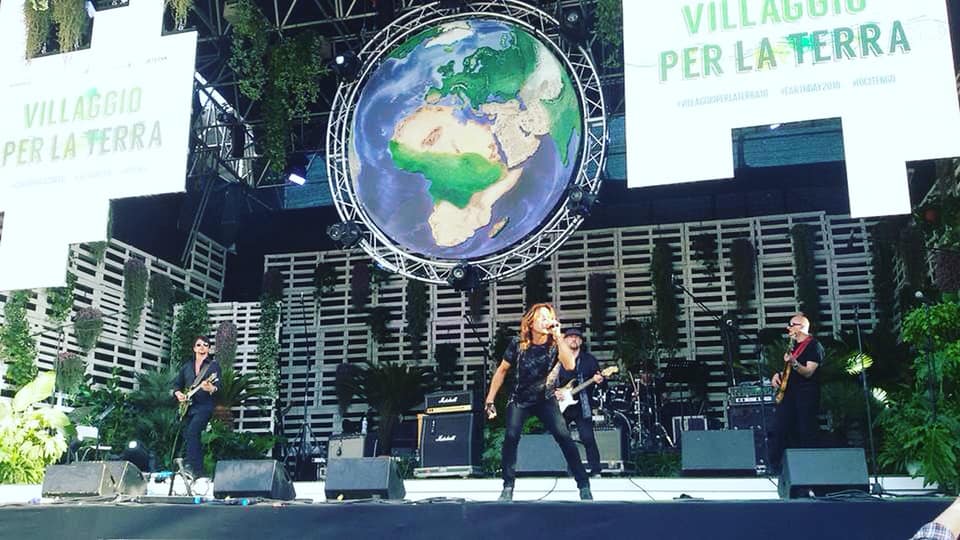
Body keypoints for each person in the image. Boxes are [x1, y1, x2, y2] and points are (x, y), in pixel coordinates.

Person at [484, 303, 592, 501]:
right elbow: (501, 370)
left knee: (565, 438)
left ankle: (584, 485)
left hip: (545, 399)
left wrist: (559, 336)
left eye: (549, 317)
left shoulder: (555, 343)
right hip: (520, 399)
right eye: (542, 317)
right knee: (511, 437)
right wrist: (490, 399)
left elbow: (569, 365)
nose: (546, 321)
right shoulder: (518, 344)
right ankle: (508, 486)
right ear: (531, 323)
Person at [769, 313, 824, 473]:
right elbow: (789, 371)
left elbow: (808, 372)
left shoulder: (814, 345)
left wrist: (793, 362)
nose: (788, 328)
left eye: (792, 325)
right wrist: (777, 375)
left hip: (806, 394)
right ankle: (777, 468)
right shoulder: (792, 346)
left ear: (802, 327)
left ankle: (811, 469)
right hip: (789, 394)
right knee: (780, 428)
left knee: (806, 430)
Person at [554, 327, 605, 477]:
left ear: (581, 341)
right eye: (570, 337)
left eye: (577, 337)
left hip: (583, 405)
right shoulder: (557, 359)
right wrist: (554, 392)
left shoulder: (589, 360)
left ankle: (596, 470)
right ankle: (571, 470)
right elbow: (547, 381)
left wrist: (600, 380)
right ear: (564, 341)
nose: (574, 339)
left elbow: (602, 383)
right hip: (562, 407)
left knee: (588, 437)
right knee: (564, 439)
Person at [171, 335, 221, 478]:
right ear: (194, 348)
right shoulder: (187, 367)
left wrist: (210, 388)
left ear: (209, 349)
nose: (202, 348)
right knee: (189, 435)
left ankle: (191, 467)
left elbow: (218, 387)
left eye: (205, 345)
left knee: (193, 432)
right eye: (199, 345)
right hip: (188, 408)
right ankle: (196, 470)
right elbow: (176, 385)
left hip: (204, 407)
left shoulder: (213, 366)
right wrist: (178, 394)